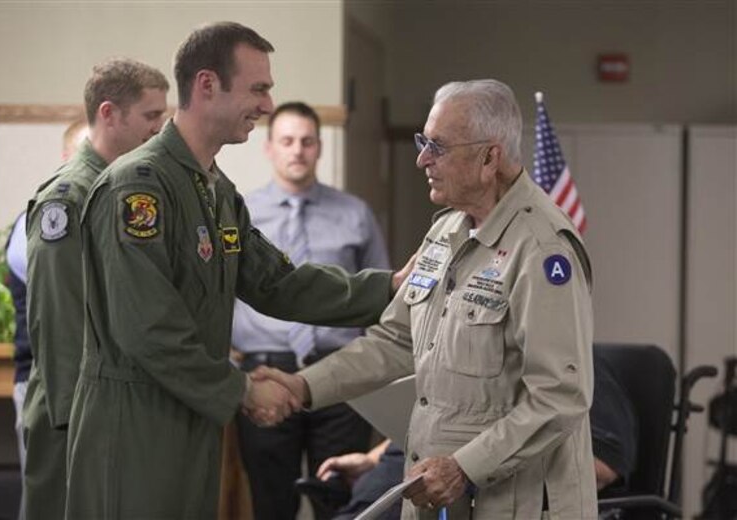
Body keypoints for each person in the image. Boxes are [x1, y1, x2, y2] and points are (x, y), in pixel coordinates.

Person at [66, 21, 407, 519]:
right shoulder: (138, 188)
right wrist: (244, 390)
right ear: (207, 85)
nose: (267, 106)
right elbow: (150, 329)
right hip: (135, 423)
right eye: (259, 89)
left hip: (193, 415)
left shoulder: (216, 191)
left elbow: (277, 283)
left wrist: (390, 288)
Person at [256, 79, 598, 519]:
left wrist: (463, 469)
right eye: (423, 142)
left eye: (437, 146)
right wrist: (304, 386)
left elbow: (560, 397)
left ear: (489, 157)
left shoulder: (543, 248)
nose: (422, 159)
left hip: (516, 503)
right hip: (441, 494)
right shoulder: (446, 232)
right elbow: (397, 339)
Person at [23, 58, 169, 520]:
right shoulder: (68, 198)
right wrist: (79, 424)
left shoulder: (120, 189)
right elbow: (59, 318)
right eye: (150, 117)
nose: (160, 129)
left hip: (110, 411)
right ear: (109, 114)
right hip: (72, 416)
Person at [232, 101, 391, 519]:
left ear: (320, 147)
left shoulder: (355, 214)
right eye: (287, 141)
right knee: (272, 501)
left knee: (341, 498)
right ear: (269, 148)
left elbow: (384, 297)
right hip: (264, 376)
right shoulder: (240, 214)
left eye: (306, 141)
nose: (297, 150)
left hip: (341, 376)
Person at [313, 348, 639, 519]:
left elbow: (602, 465)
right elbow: (430, 419)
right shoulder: (462, 357)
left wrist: (472, 466)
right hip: (378, 500)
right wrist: (371, 459)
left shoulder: (569, 368)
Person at [5, 117, 88, 520]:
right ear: (65, 157)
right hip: (43, 385)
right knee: (48, 504)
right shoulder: (43, 219)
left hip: (88, 390)